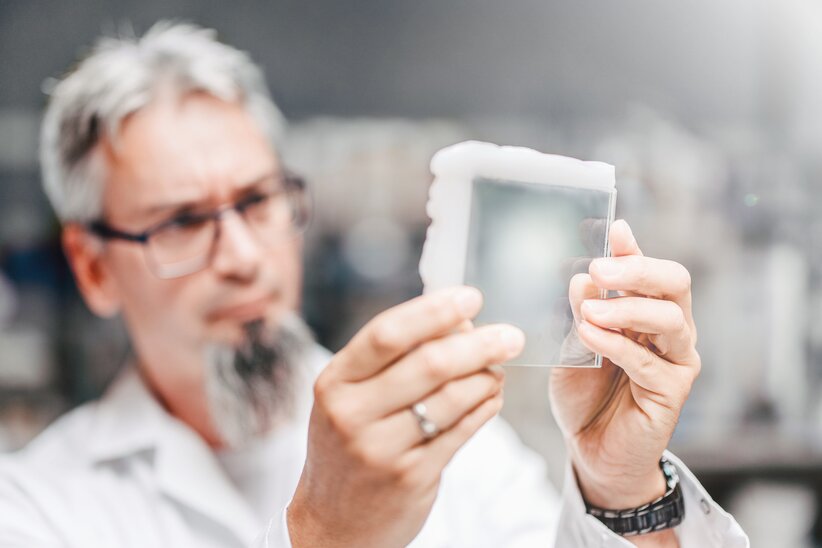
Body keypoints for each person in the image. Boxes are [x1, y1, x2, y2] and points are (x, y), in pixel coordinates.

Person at [0, 22, 748, 547]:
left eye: (259, 201)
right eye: (180, 223)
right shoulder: (34, 509)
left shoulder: (456, 439)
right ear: (95, 268)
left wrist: (621, 490)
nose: (242, 256)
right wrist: (324, 537)